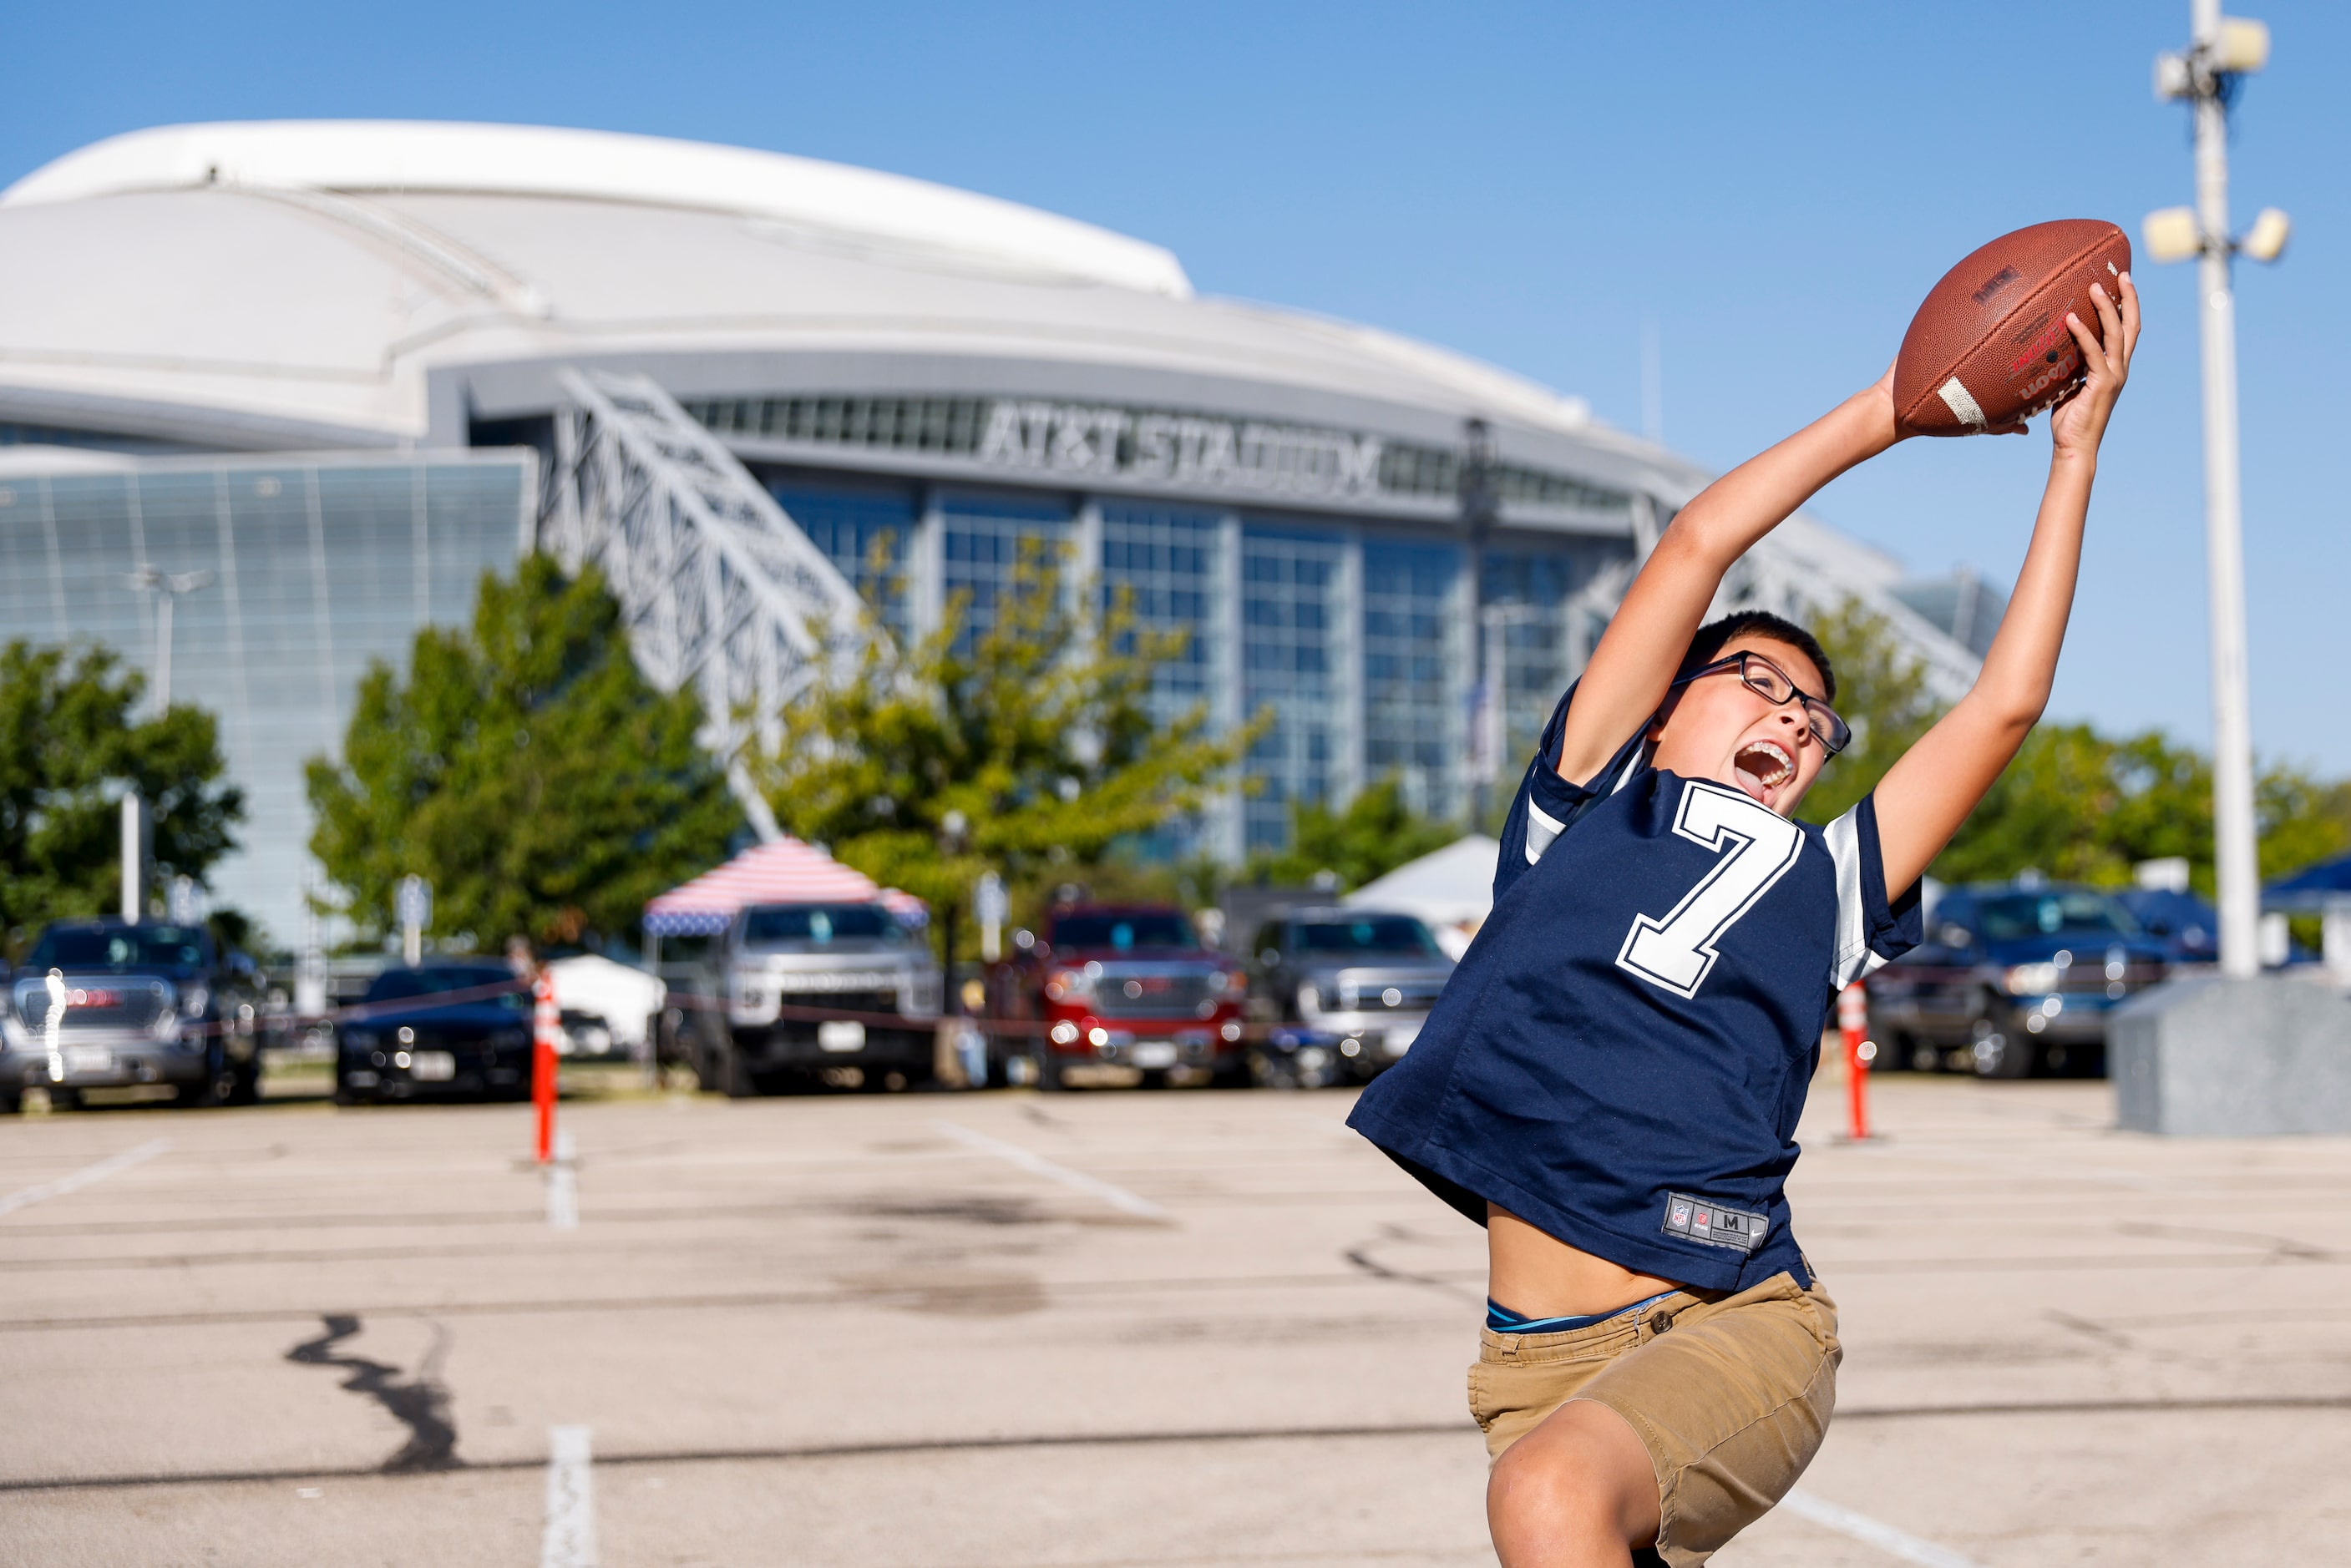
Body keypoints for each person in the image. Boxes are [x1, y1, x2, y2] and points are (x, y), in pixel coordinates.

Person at [1347, 275, 2138, 1568]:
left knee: (1550, 1503)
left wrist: (2075, 454)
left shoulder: (1825, 883)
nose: (1787, 714)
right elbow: (1700, 541)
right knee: (1552, 1490)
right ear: (1664, 708)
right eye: (1754, 681)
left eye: (1813, 715)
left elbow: (2002, 703)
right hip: (1536, 1369)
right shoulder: (1589, 806)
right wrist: (1897, 410)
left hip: (1734, 1320)